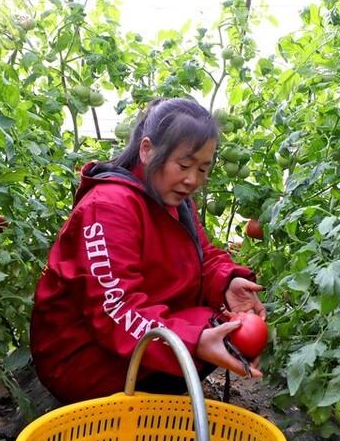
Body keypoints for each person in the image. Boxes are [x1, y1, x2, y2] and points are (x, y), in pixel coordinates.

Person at [30, 96, 268, 404]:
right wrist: (192, 341)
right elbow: (116, 309)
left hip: (120, 340)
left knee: (220, 327)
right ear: (146, 150)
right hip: (81, 360)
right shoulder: (109, 207)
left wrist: (228, 282)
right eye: (184, 165)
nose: (192, 180)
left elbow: (203, 254)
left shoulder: (172, 198)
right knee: (208, 333)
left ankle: (153, 399)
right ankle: (129, 409)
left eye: (203, 169)